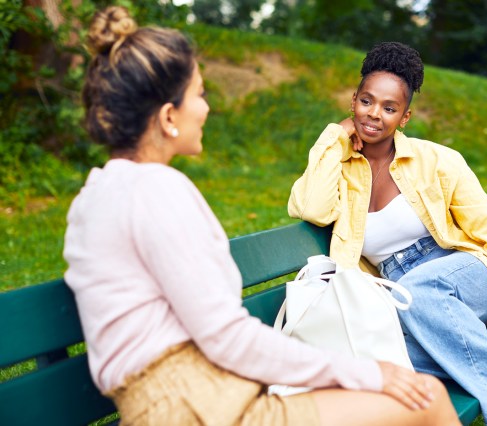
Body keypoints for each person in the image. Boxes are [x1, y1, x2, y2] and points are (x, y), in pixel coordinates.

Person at [62, 7, 461, 426]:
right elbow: (226, 338)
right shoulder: (155, 191)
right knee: (426, 398)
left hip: (187, 398)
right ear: (167, 117)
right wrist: (369, 372)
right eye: (198, 94)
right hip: (202, 408)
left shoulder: (98, 194)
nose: (206, 107)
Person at [288, 42, 487, 426]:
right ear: (353, 101)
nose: (374, 115)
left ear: (404, 117)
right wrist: (335, 135)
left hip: (465, 273)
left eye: (389, 108)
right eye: (366, 102)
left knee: (422, 294)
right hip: (400, 293)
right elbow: (311, 208)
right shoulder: (341, 167)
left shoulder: (437, 161)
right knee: (378, 356)